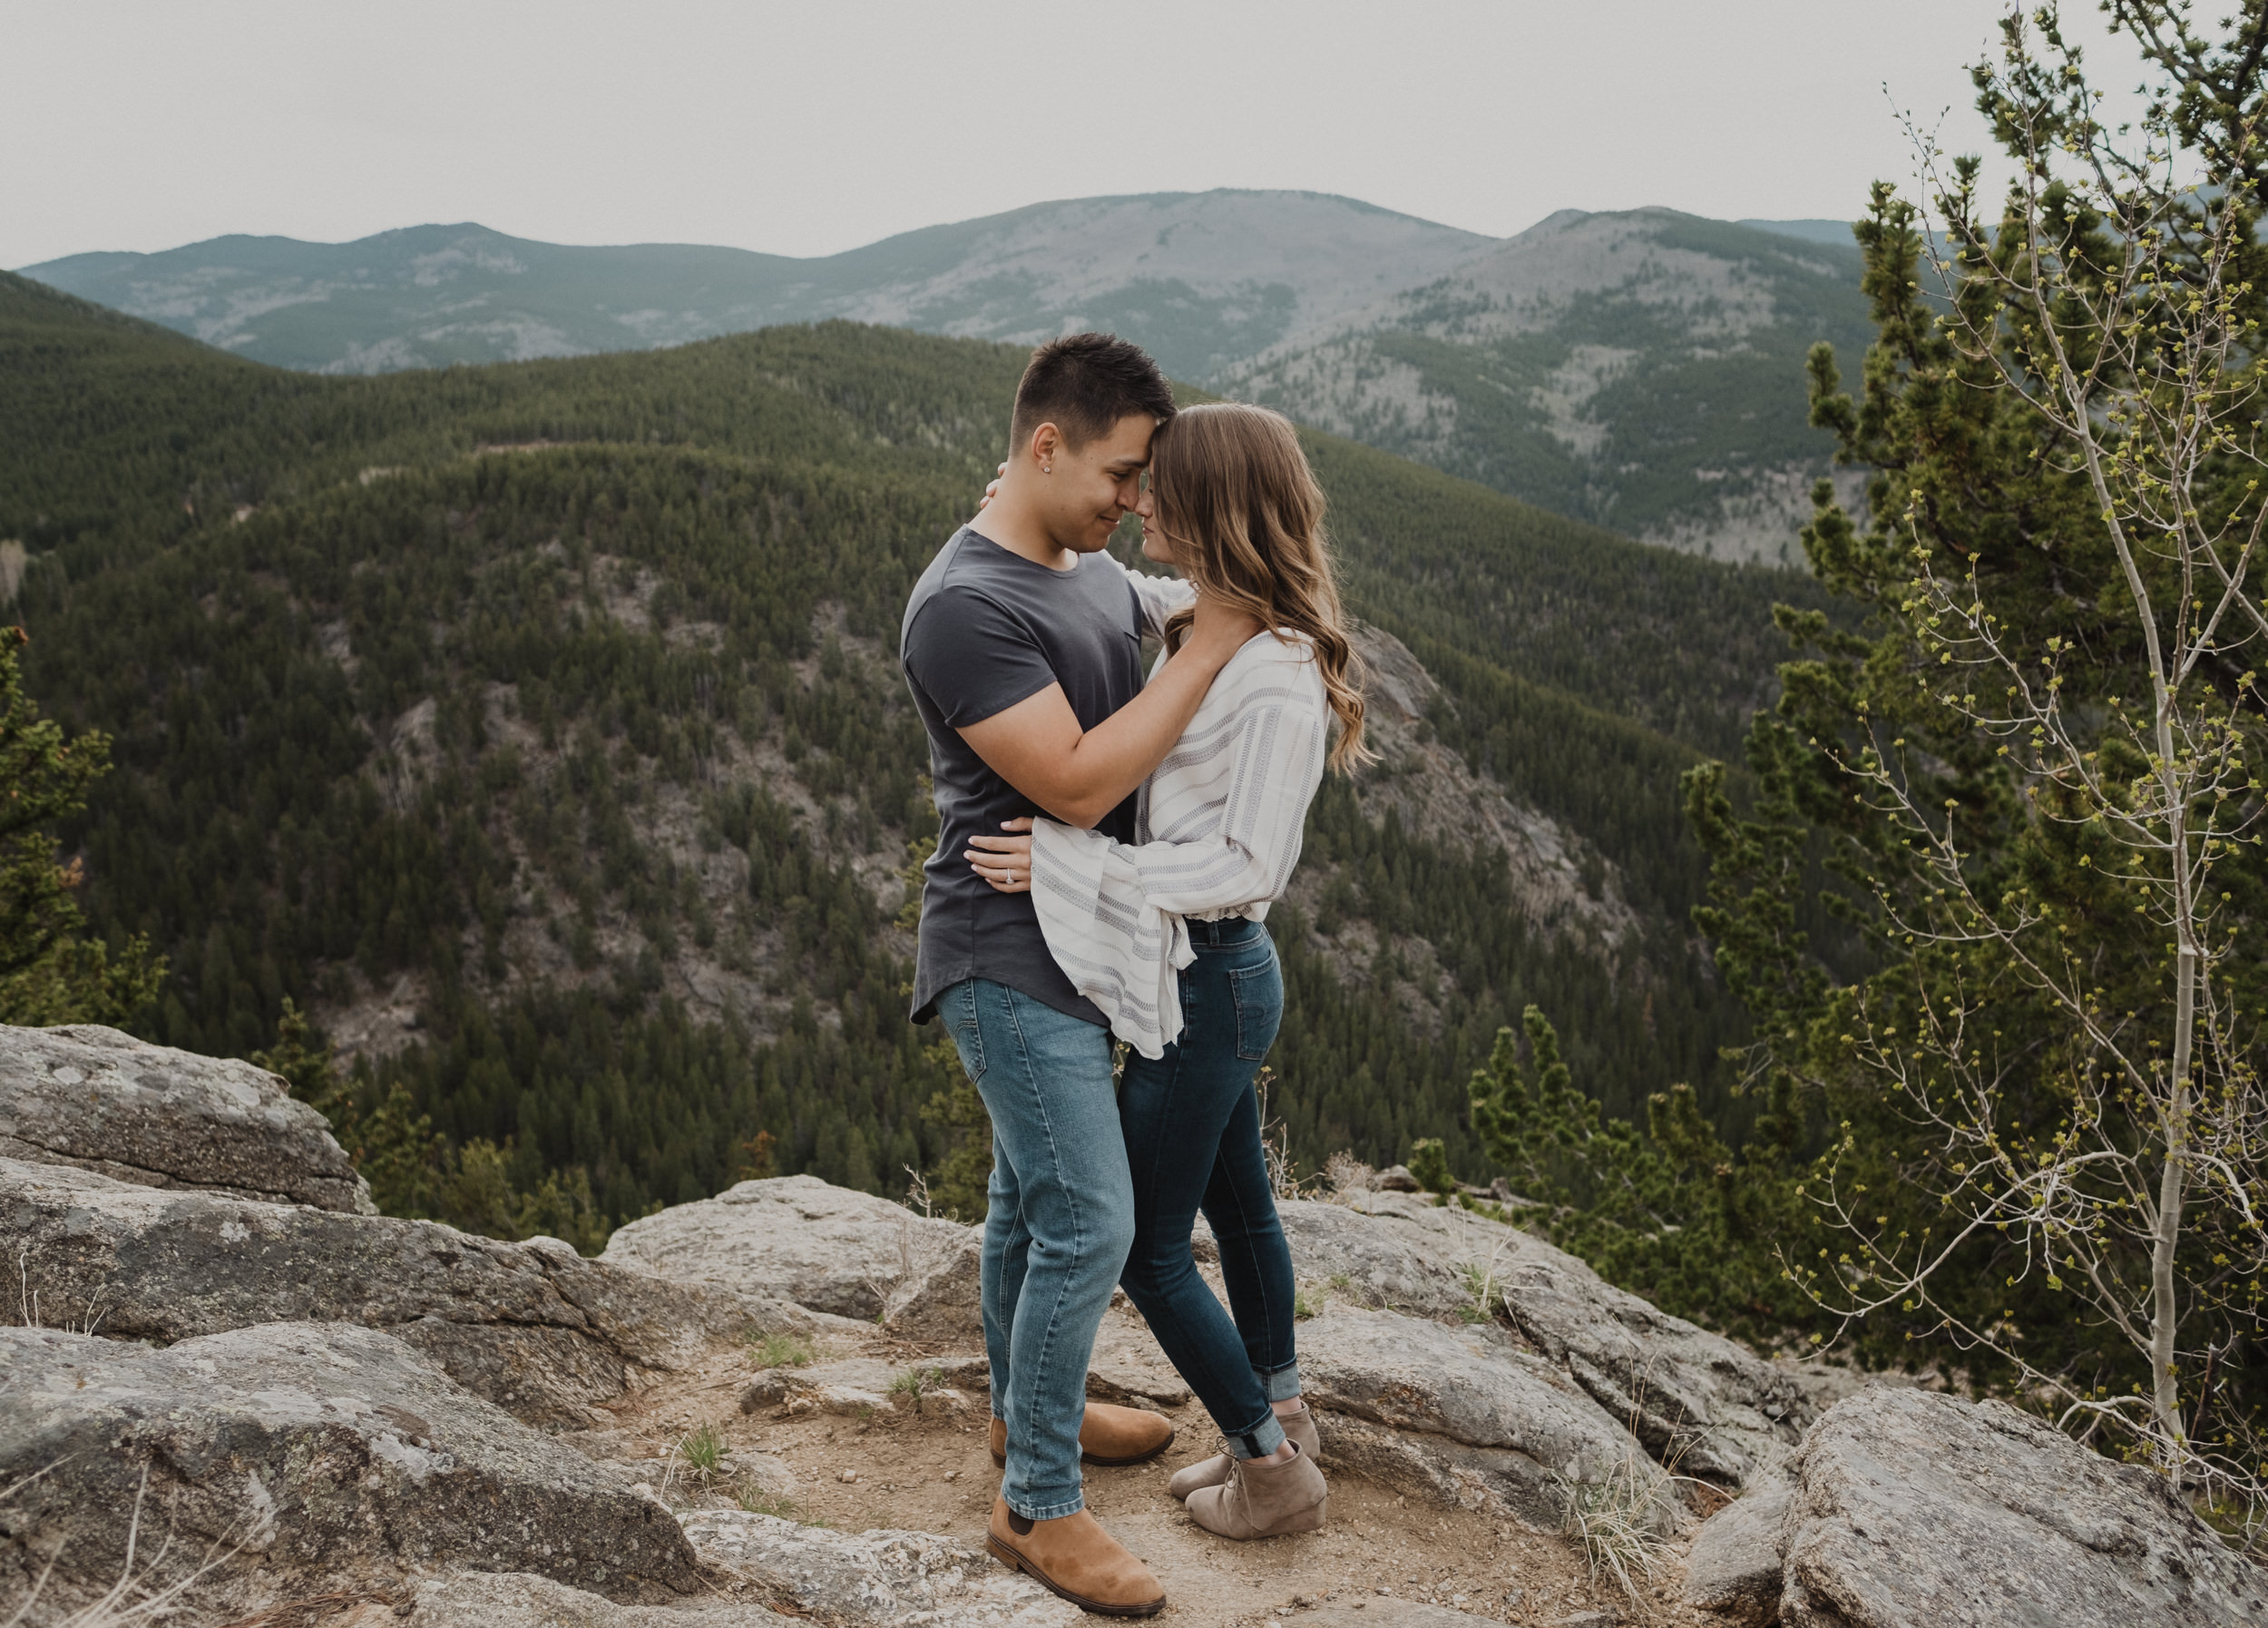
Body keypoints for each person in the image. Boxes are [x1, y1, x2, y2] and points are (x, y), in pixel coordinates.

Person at [898, 332, 1258, 1617]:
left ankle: (1017, 1417)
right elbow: (1075, 778)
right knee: (1091, 1218)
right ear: (1043, 445)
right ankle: (1036, 1503)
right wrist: (1207, 650)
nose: (1135, 501)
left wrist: (1220, 609)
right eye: (1119, 474)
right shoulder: (963, 605)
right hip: (1003, 953)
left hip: (1085, 933)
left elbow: (1136, 635)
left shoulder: (1090, 566)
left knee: (1027, 1199)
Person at [965, 402, 1370, 1543]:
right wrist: (1010, 523)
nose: (1138, 502)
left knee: (1144, 1246)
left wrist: (1073, 864)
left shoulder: (1280, 673)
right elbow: (1121, 599)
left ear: (1214, 506)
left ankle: (1271, 1468)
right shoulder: (1214, 616)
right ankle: (1283, 1412)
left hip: (1212, 982)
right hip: (1199, 980)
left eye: (1158, 488)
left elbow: (1251, 863)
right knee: (1240, 1205)